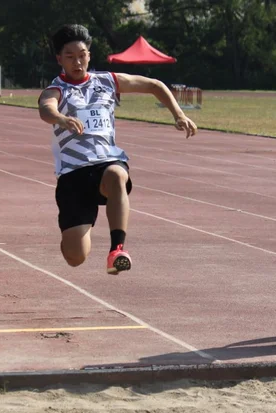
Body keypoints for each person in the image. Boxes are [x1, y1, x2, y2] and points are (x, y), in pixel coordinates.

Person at [38, 24, 197, 275]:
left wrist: (178, 115)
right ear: (59, 59)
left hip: (105, 162)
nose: (77, 62)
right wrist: (60, 118)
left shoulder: (108, 81)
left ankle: (117, 250)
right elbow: (46, 108)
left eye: (82, 55)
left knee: (117, 175)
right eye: (70, 57)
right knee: (76, 256)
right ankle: (73, 236)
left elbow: (155, 85)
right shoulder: (56, 89)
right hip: (73, 174)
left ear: (89, 55)